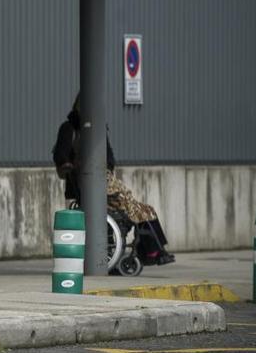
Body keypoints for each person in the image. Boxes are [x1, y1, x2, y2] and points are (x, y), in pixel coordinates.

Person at [53, 94, 175, 265]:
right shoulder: (68, 129)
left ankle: (154, 251)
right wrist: (72, 167)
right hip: (83, 185)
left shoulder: (99, 129)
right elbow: (60, 155)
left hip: (104, 183)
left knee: (145, 210)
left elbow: (109, 158)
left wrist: (104, 171)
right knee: (138, 210)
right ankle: (153, 252)